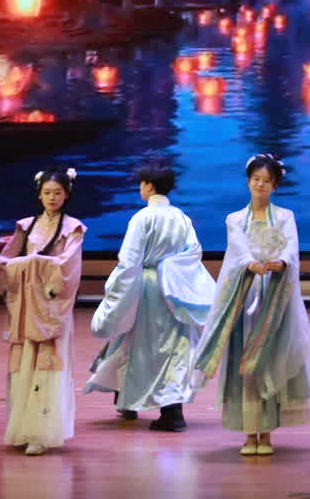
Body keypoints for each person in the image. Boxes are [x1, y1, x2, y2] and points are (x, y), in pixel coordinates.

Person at [191, 154, 310, 455]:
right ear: (248, 182)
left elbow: (291, 247)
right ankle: (248, 434)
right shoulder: (235, 219)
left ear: (275, 185)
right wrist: (249, 263)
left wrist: (283, 261)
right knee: (245, 363)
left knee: (268, 360)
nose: (260, 185)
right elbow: (238, 251)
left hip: (274, 298)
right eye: (256, 180)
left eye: (266, 181)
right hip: (245, 296)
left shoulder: (285, 217)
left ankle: (265, 434)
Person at [86, 159, 216, 432]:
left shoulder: (142, 218)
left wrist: (117, 290)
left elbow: (129, 260)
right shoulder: (182, 218)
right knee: (174, 347)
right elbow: (193, 252)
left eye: (141, 184)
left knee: (134, 343)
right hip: (173, 289)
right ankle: (170, 410)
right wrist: (175, 273)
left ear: (149, 186)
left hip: (145, 286)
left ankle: (129, 400)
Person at [0, 167, 86, 455]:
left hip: (51, 306)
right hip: (26, 304)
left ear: (66, 195)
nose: (52, 197)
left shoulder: (74, 228)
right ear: (38, 194)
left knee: (47, 362)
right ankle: (22, 427)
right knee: (25, 361)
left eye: (57, 192)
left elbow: (68, 266)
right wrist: (33, 264)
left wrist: (33, 263)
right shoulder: (25, 226)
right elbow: (6, 261)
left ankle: (41, 432)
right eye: (47, 192)